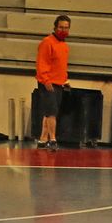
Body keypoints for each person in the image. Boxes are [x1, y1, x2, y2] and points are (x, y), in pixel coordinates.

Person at [35, 14, 71, 151]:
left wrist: (65, 79)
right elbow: (42, 62)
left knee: (49, 112)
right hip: (48, 83)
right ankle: (53, 139)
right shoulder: (47, 42)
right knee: (52, 113)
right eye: (61, 27)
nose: (63, 30)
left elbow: (61, 65)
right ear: (55, 27)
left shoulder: (64, 46)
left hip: (59, 82)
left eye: (66, 28)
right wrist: (45, 80)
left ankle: (43, 139)